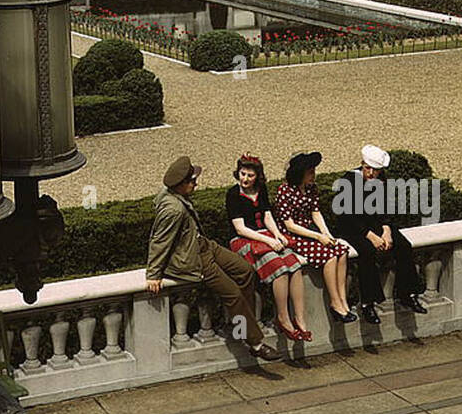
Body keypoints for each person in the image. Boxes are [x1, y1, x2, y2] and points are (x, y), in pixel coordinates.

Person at [146, 155, 281, 360]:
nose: (196, 183)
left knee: (245, 271)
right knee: (233, 294)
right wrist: (153, 274)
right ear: (180, 185)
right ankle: (255, 342)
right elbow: (159, 240)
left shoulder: (174, 194)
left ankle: (241, 323)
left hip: (204, 245)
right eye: (192, 181)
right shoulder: (172, 209)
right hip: (195, 258)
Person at [328, 144, 429, 323]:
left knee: (404, 246)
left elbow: (386, 208)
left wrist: (386, 230)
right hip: (352, 228)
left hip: (375, 225)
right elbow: (347, 216)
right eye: (369, 169)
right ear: (362, 165)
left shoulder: (382, 180)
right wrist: (370, 235)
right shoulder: (349, 181)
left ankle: (408, 293)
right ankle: (368, 303)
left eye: (376, 170)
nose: (372, 174)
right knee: (367, 252)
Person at [226, 153, 311, 342]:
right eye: (242, 174)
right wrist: (268, 241)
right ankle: (283, 317)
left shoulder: (261, 189)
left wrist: (277, 235)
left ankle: (300, 318)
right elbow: (240, 228)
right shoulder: (233, 194)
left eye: (250, 175)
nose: (245, 179)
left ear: (258, 176)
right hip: (244, 240)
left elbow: (267, 216)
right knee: (279, 269)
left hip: (264, 235)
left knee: (294, 264)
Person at [273, 151, 356, 323]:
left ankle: (342, 299)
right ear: (299, 173)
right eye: (310, 172)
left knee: (342, 251)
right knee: (330, 257)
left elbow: (315, 212)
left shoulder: (311, 188)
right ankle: (334, 302)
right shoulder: (284, 190)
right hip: (294, 235)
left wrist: (326, 233)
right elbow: (289, 225)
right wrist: (318, 237)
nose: (314, 175)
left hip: (310, 230)